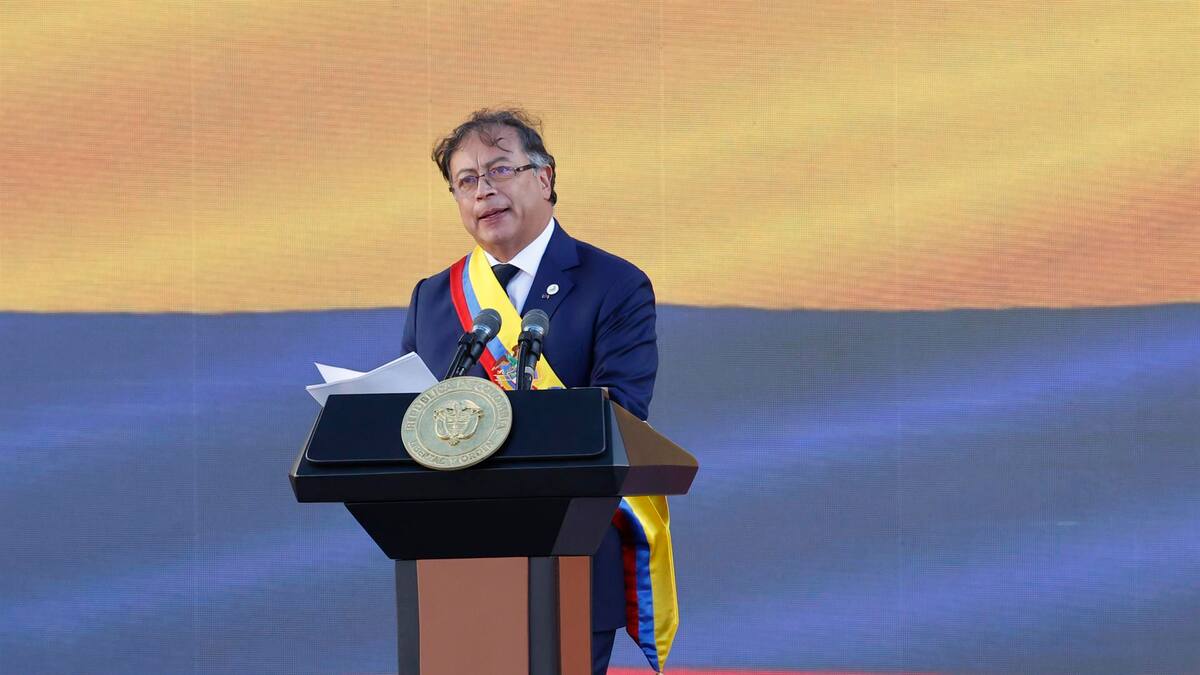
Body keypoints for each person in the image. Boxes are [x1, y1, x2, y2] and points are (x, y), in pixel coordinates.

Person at [400, 108, 658, 675]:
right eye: (466, 180)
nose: (483, 191)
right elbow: (413, 419)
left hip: (567, 559)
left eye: (499, 170)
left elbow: (622, 415)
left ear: (544, 178)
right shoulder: (432, 298)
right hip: (453, 567)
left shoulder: (614, 284)